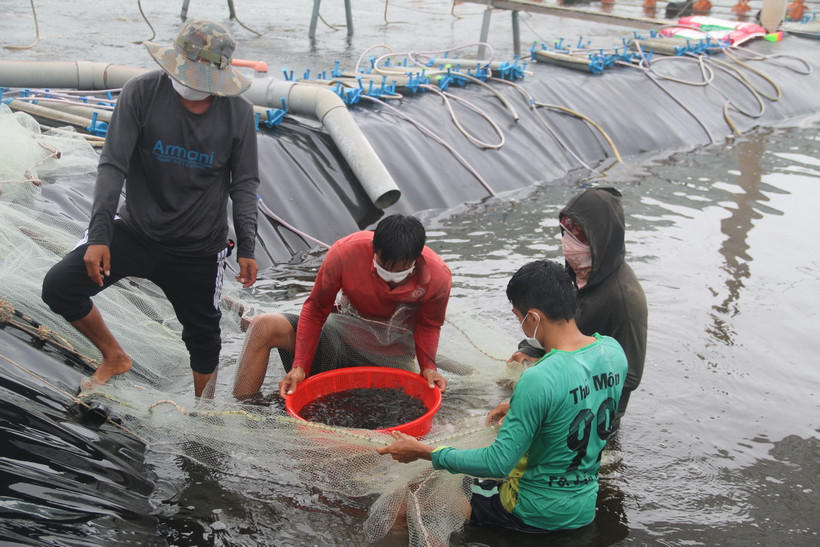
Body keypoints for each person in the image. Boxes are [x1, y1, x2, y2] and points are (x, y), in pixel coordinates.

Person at [41, 19, 260, 397]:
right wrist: (99, 236)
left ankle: (203, 415)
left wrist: (248, 246)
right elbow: (113, 165)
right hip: (135, 230)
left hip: (198, 248)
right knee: (59, 287)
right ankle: (114, 356)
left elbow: (244, 184)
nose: (192, 84)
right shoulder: (141, 93)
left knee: (204, 338)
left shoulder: (238, 114)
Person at [378, 259, 628, 532]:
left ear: (533, 318)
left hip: (531, 510)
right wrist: (518, 403)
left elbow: (497, 463)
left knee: (406, 502)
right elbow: (585, 396)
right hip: (582, 506)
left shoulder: (538, 377)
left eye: (518, 317)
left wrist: (424, 452)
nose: (521, 324)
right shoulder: (613, 352)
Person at [232, 214, 451, 400]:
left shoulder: (437, 277)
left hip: (392, 360)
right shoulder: (345, 253)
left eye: (400, 270)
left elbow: (429, 326)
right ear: (374, 249)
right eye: (384, 266)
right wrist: (300, 365)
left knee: (418, 402)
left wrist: (428, 367)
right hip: (339, 339)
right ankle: (244, 414)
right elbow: (316, 309)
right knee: (263, 325)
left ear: (416, 259)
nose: (391, 277)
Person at [509, 187, 647, 426]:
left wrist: (555, 378)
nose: (567, 244)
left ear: (599, 239)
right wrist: (530, 351)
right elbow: (557, 319)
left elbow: (630, 376)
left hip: (594, 414)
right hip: (561, 387)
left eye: (577, 237)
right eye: (565, 233)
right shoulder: (579, 271)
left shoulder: (624, 300)